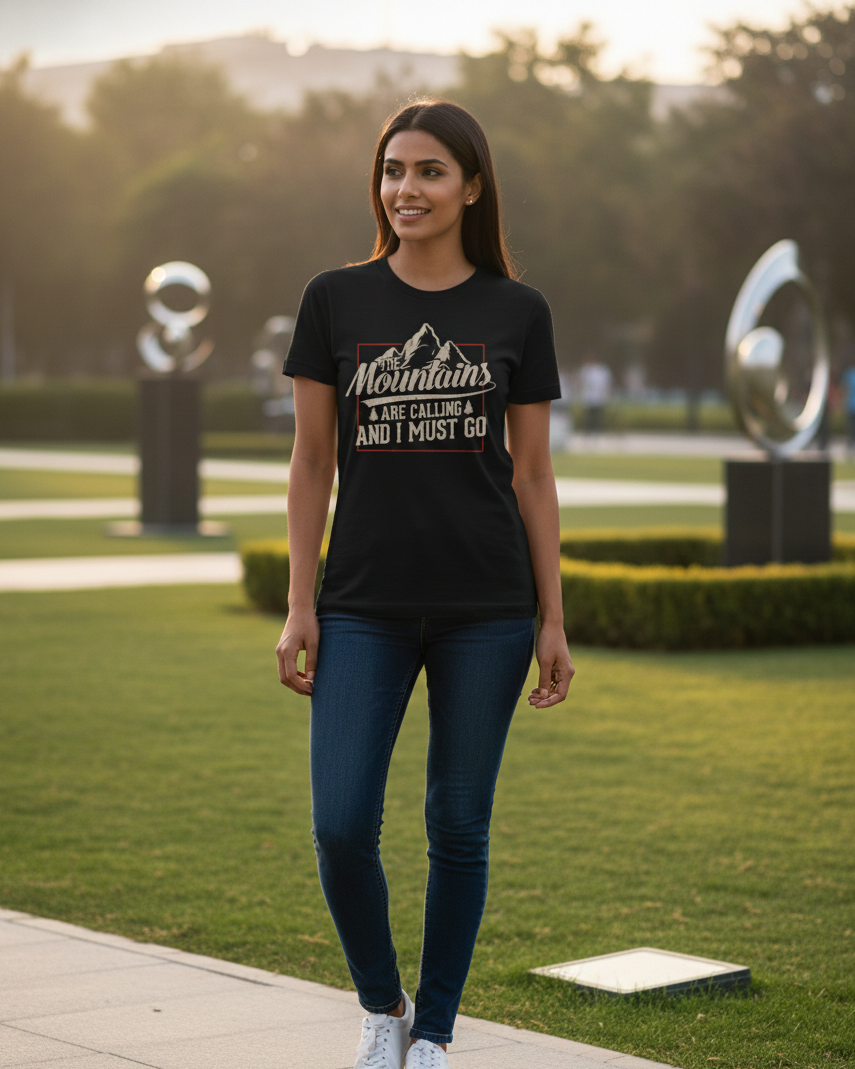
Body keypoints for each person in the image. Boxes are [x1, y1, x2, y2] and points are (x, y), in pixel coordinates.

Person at [276, 99, 574, 1069]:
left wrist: (553, 618)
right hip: (362, 602)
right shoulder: (335, 299)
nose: (407, 188)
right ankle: (381, 1006)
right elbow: (310, 463)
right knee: (340, 823)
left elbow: (532, 474)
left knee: (457, 822)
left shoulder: (515, 312)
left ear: (472, 186)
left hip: (487, 607)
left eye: (430, 171)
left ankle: (435, 1032)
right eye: (394, 170)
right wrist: (299, 604)